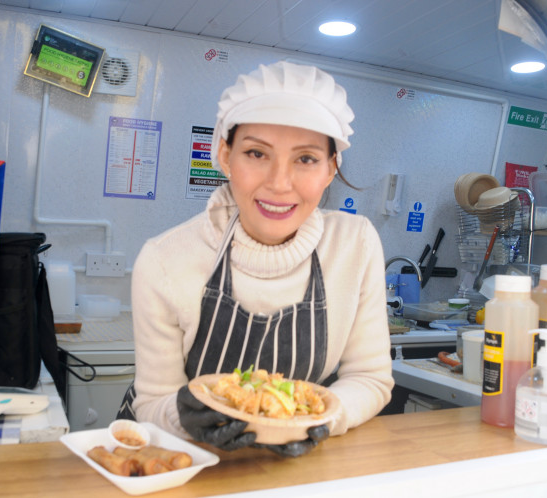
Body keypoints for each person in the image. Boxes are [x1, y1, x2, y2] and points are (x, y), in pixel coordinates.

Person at [117, 60, 393, 457]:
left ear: (331, 168)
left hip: (290, 469)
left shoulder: (356, 244)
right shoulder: (164, 261)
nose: (279, 183)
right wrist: (184, 416)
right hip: (176, 459)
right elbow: (151, 403)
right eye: (256, 153)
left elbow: (370, 378)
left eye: (306, 159)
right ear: (225, 156)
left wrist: (316, 421)